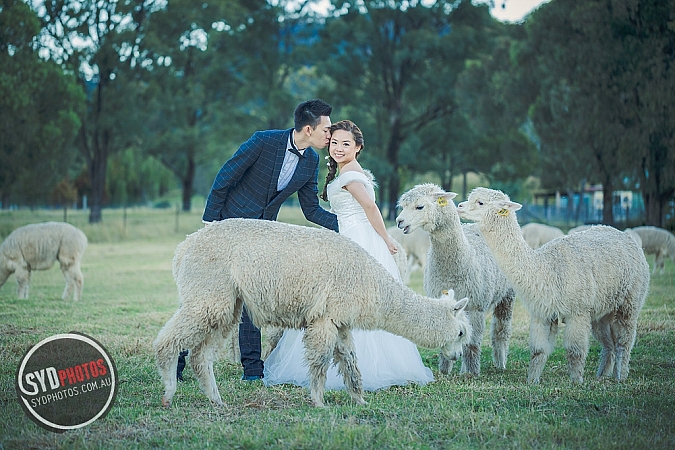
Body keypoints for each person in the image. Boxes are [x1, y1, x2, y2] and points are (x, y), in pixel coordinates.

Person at [263, 120, 434, 391]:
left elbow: (370, 208)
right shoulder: (346, 172)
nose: (338, 148)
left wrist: (387, 238)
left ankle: (360, 364)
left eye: (346, 144)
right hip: (346, 238)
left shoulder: (352, 176)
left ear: (358, 147)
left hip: (357, 242)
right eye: (334, 143)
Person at [177, 99, 339, 382]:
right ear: (308, 128)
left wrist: (348, 226)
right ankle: (177, 358)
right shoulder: (264, 141)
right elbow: (226, 175)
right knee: (205, 301)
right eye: (326, 129)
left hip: (263, 239)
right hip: (228, 228)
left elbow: (311, 209)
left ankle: (252, 371)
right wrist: (211, 222)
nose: (330, 134)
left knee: (253, 302)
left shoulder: (311, 161)